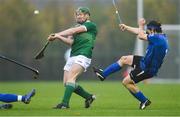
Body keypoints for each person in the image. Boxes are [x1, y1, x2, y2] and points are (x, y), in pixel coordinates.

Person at [93, 18, 169, 110]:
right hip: (144, 62)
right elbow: (139, 32)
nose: (147, 33)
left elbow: (140, 35)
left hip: (147, 69)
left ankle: (144, 100)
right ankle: (103, 75)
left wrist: (140, 24)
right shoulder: (159, 37)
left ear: (153, 30)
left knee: (126, 82)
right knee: (124, 59)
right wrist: (126, 27)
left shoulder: (158, 38)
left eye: (148, 31)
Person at [48, 7, 97, 109]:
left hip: (83, 55)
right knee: (67, 83)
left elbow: (73, 30)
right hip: (73, 55)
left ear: (87, 15)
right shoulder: (76, 27)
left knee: (71, 78)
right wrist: (58, 37)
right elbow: (71, 42)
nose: (78, 16)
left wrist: (57, 34)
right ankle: (89, 97)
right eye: (77, 15)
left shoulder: (90, 25)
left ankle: (64, 104)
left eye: (81, 14)